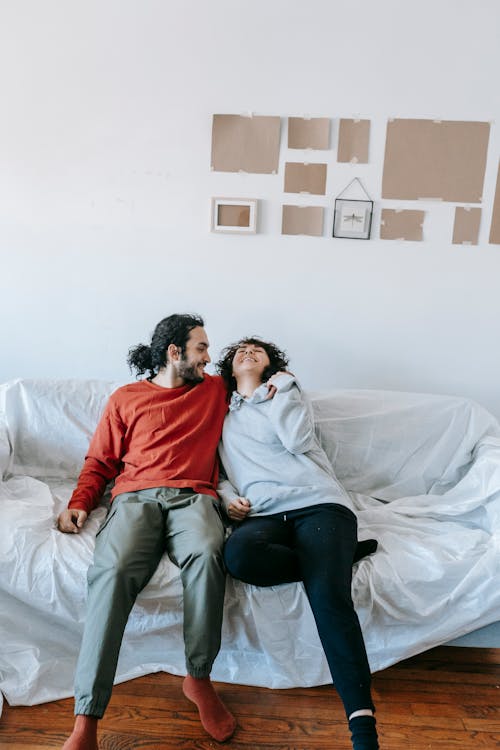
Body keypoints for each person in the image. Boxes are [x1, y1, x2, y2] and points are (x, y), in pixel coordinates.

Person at [57, 313, 236, 749]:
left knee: (209, 553)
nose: (209, 358)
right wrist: (80, 502)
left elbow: (260, 373)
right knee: (113, 573)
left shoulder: (215, 390)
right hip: (135, 497)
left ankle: (198, 679)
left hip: (195, 496)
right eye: (201, 348)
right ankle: (86, 718)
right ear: (175, 352)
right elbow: (100, 461)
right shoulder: (126, 398)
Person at [216, 337, 380, 750]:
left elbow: (297, 441)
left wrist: (284, 389)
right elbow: (215, 469)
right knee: (238, 555)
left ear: (272, 363)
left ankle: (363, 732)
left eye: (257, 350)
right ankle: (333, 559)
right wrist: (225, 497)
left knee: (328, 596)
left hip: (319, 505)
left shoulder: (286, 394)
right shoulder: (220, 414)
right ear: (229, 369)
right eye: (240, 352)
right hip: (263, 514)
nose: (247, 353)